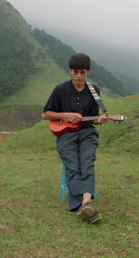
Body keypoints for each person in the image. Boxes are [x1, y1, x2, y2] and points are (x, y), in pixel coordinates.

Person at [42, 53, 108, 224]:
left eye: (83, 72)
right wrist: (66, 115)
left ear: (88, 72)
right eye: (76, 72)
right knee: (72, 164)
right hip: (65, 134)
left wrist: (99, 120)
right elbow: (46, 114)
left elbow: (93, 118)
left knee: (87, 160)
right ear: (70, 71)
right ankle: (87, 205)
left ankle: (86, 203)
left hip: (87, 133)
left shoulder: (94, 91)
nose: (79, 76)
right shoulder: (60, 90)